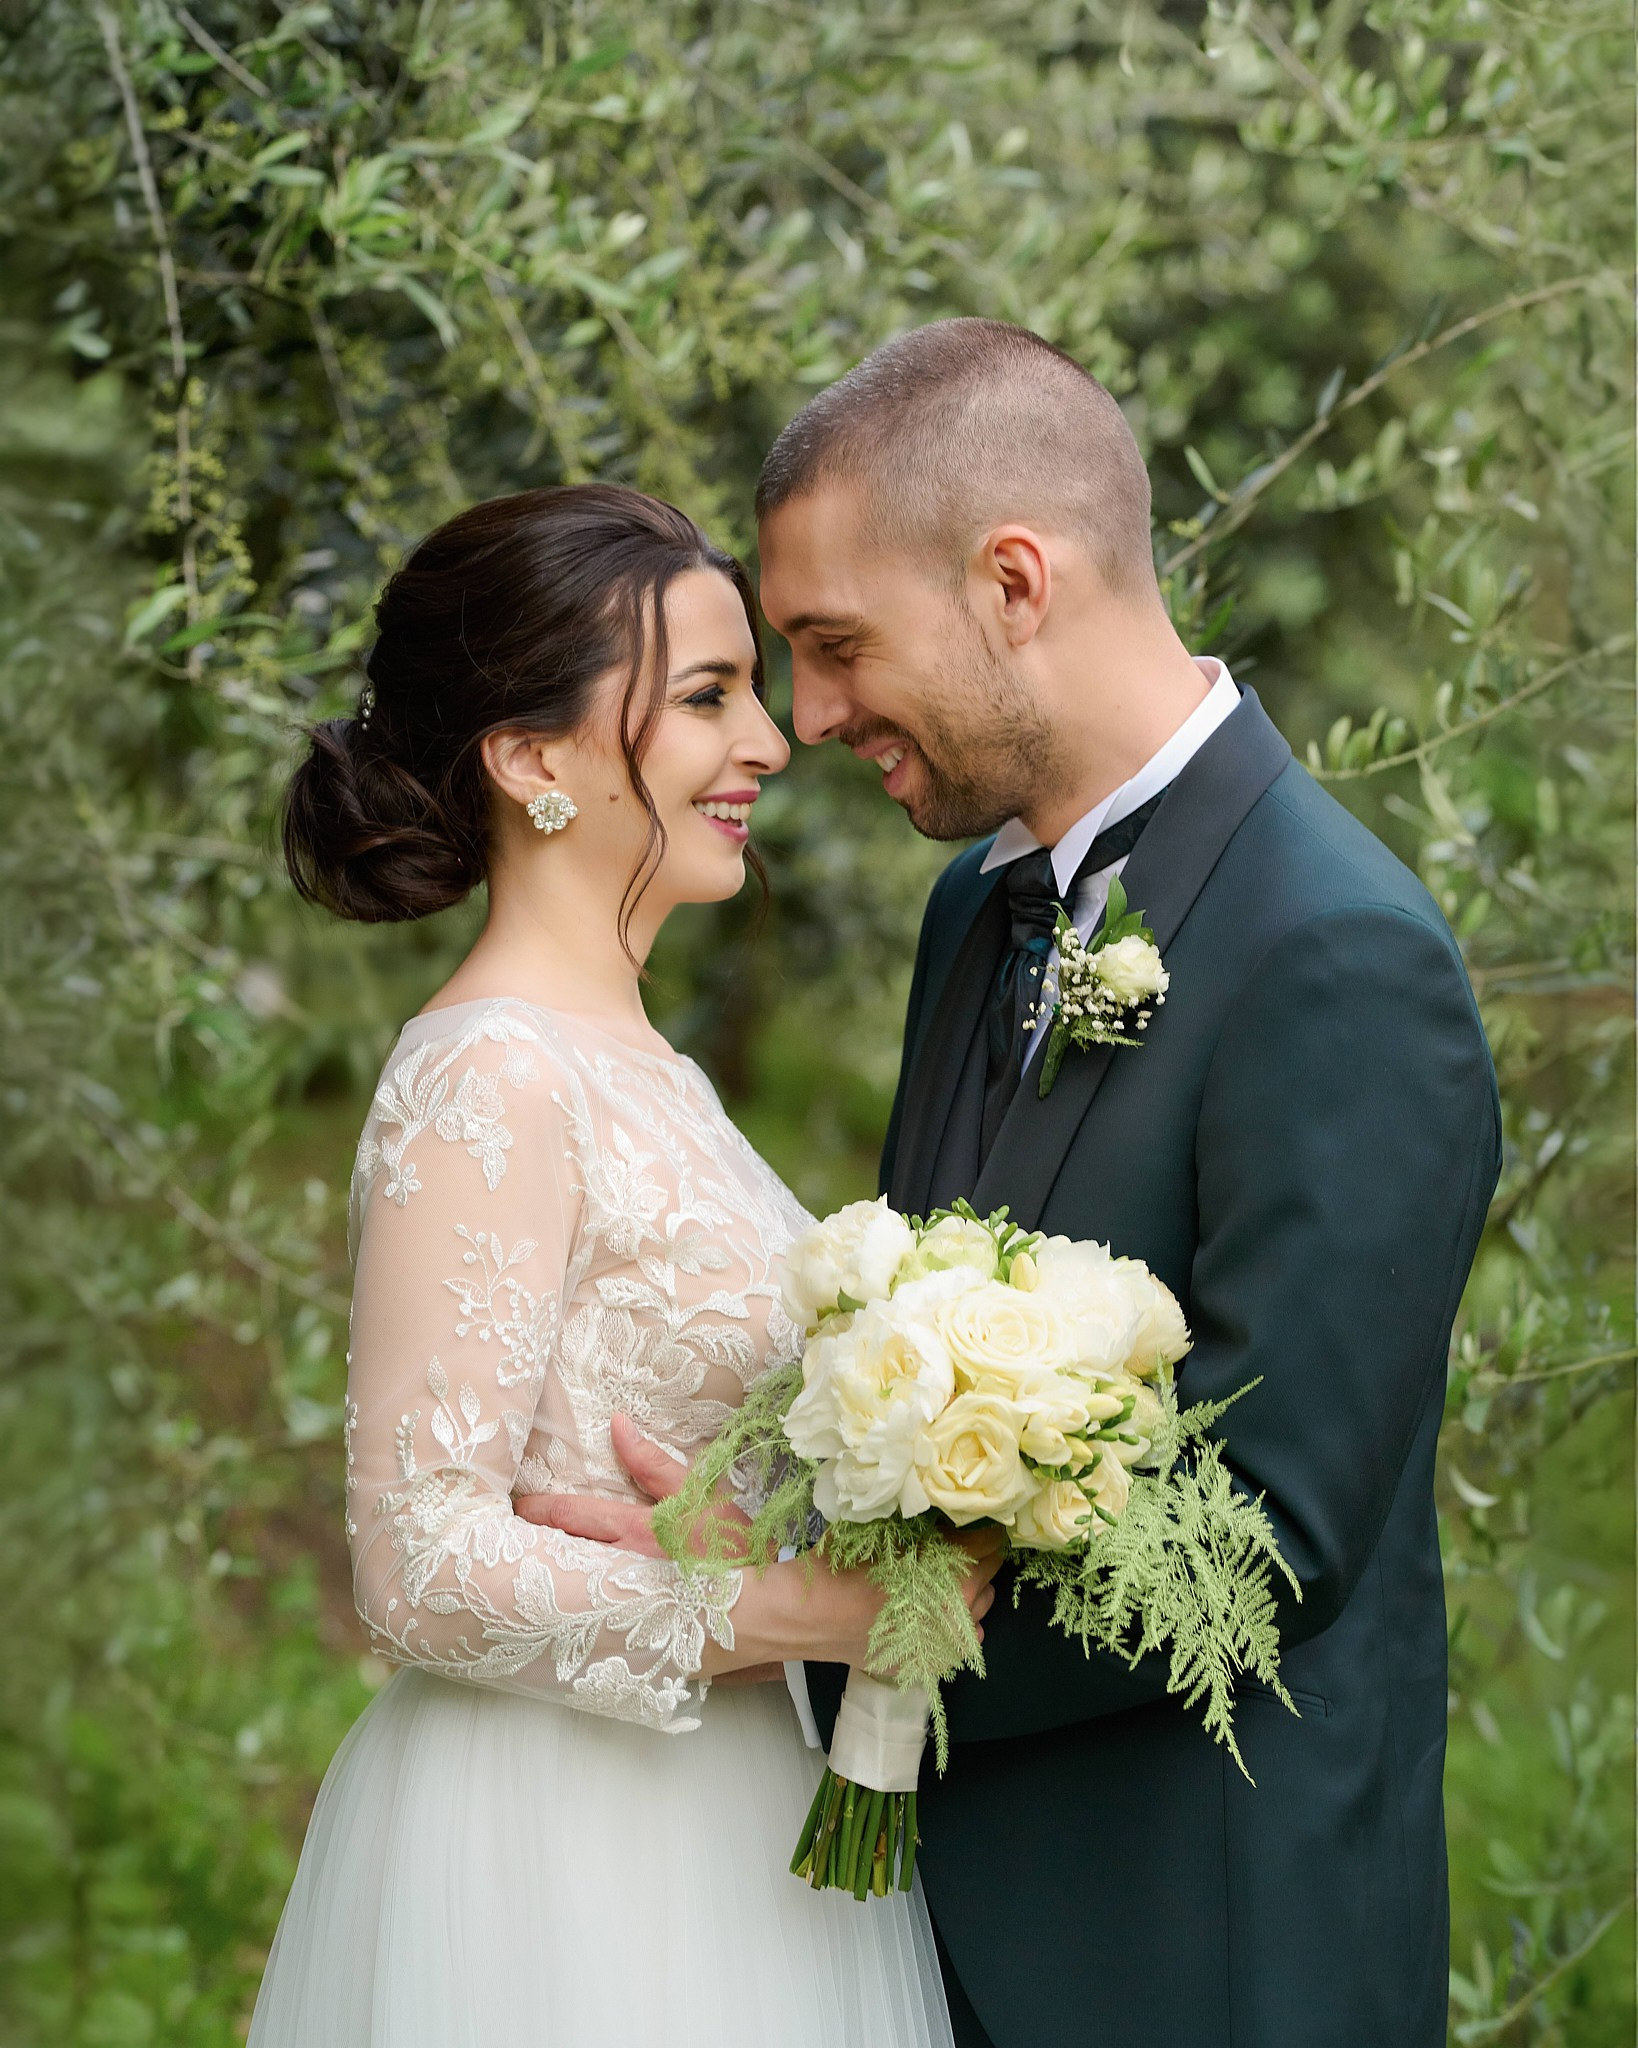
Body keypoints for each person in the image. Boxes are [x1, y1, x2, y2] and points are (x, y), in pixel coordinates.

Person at [552, 321, 1501, 2048]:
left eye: (834, 648)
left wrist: (816, 1633)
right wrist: (765, 1518)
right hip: (931, 1933)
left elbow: (1264, 1546)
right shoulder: (974, 911)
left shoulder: (1339, 954)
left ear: (1011, 581)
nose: (813, 718)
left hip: (1201, 1953)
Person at [248, 483, 999, 2048]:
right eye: (708, 698)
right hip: (556, 1851)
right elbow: (417, 1565)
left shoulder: (644, 1066)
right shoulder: (489, 1074)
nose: (771, 743)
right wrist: (807, 1608)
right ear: (529, 760)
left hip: (725, 1808)